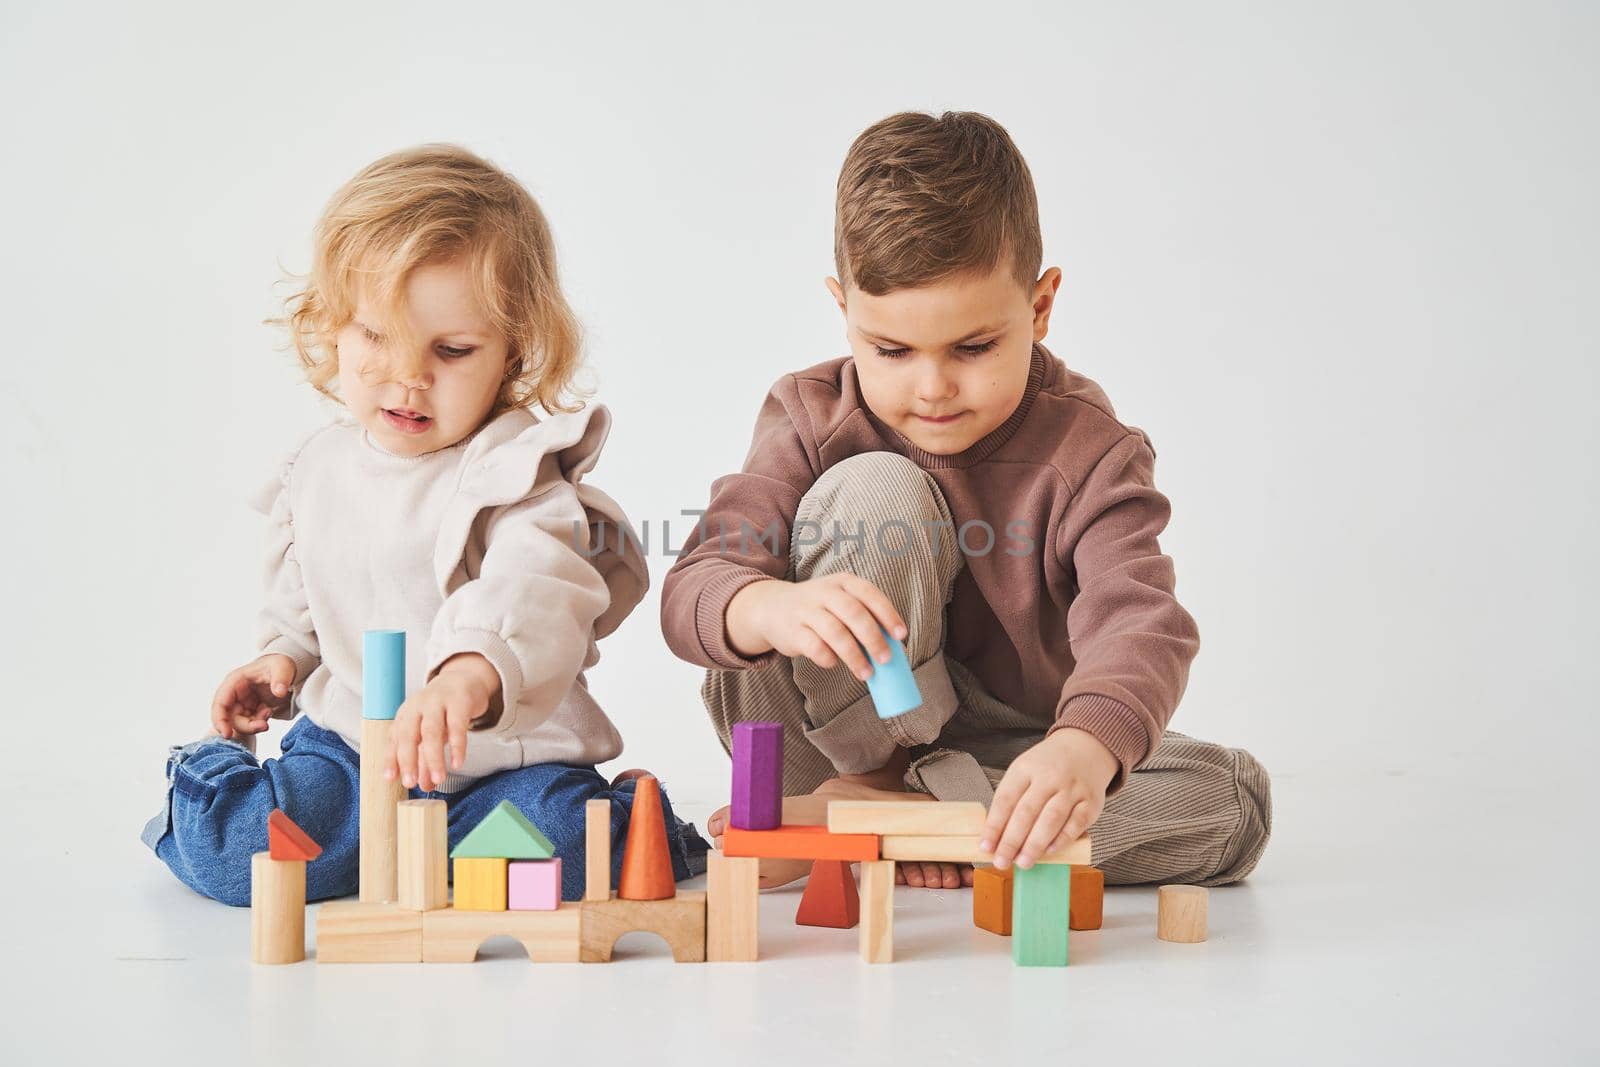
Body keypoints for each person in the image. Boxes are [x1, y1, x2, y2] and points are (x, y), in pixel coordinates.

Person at [662, 112, 1270, 891]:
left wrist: (1082, 748)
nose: (933, 387)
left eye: (974, 347)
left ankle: (894, 821)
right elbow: (695, 585)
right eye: (891, 350)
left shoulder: (1090, 452)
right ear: (842, 309)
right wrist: (769, 605)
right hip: (812, 733)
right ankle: (888, 798)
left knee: (1232, 800)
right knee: (875, 491)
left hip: (999, 748)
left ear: (1040, 307)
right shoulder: (810, 414)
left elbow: (1140, 621)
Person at [143, 144, 708, 905]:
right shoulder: (317, 469)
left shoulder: (517, 471)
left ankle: (606, 825)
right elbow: (307, 601)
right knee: (239, 852)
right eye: (375, 336)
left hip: (504, 766)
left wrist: (470, 671)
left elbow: (537, 585)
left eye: (451, 350)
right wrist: (280, 660)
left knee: (579, 849)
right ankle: (223, 784)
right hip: (354, 757)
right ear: (331, 324)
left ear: (514, 352)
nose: (408, 376)